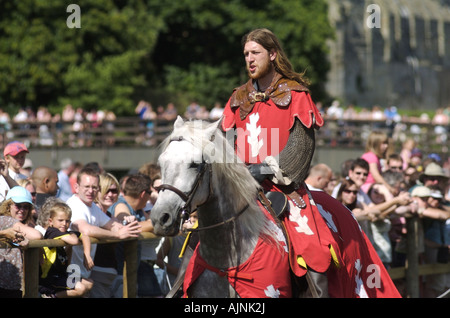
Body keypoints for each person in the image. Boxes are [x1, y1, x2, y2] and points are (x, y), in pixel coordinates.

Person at [220, 28, 400, 297]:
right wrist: (236, 173)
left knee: (315, 252)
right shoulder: (238, 99)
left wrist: (265, 168)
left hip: (283, 189)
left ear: (272, 54)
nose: (249, 59)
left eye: (255, 52)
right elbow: (225, 145)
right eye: (246, 54)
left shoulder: (296, 95)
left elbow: (300, 149)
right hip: (241, 190)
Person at [67, 167, 141, 281]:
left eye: (94, 187)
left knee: (85, 288)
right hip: (70, 269)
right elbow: (86, 229)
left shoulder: (92, 207)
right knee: (80, 290)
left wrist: (127, 224)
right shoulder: (75, 204)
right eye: (87, 187)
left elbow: (113, 225)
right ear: (76, 187)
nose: (91, 191)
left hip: (84, 271)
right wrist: (118, 235)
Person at [108, 173, 154, 298]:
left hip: (130, 273)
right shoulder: (121, 205)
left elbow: (151, 225)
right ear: (143, 194)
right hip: (117, 275)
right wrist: (155, 223)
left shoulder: (139, 209)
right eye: (150, 192)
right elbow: (127, 226)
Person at [39, 199, 94, 298]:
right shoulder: (52, 232)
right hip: (49, 278)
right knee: (80, 288)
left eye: (67, 221)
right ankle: (51, 296)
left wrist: (87, 255)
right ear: (50, 221)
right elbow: (74, 241)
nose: (64, 224)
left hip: (60, 276)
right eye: (60, 220)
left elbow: (85, 237)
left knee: (89, 283)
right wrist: (74, 234)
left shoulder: (65, 232)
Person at [89, 172, 121, 298]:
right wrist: (118, 234)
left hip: (106, 273)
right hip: (93, 272)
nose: (110, 195)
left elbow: (121, 227)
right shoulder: (93, 211)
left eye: (114, 191)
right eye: (105, 190)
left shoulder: (107, 215)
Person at [0, 214, 42, 297]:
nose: (22, 210)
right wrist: (5, 233)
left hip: (14, 282)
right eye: (18, 205)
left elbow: (36, 236)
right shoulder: (5, 220)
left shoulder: (29, 223)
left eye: (26, 206)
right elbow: (36, 235)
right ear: (9, 205)